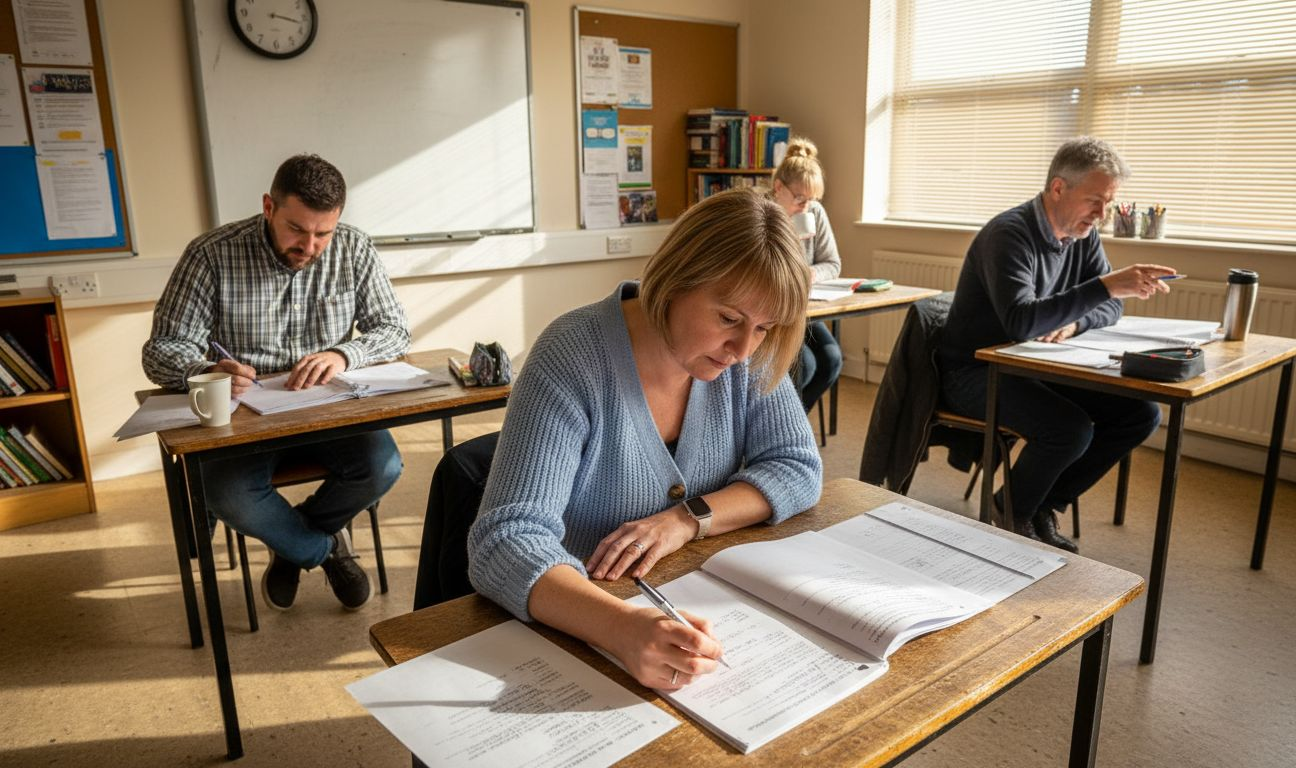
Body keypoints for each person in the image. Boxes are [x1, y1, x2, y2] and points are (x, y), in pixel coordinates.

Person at [466, 187, 823, 692]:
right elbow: (505, 543)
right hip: (575, 627)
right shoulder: (573, 356)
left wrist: (686, 518)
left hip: (684, 607)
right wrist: (621, 627)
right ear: (675, 280)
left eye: (765, 328)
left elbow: (796, 466)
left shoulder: (745, 355)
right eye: (728, 319)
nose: (743, 350)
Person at [142, 154, 410, 611]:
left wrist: (343, 353)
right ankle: (319, 549)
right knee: (226, 492)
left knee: (382, 466)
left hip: (328, 409)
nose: (310, 246)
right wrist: (203, 370)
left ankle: (290, 540)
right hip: (246, 418)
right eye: (297, 229)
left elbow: (395, 329)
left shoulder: (354, 248)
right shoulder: (211, 254)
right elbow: (161, 349)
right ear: (269, 206)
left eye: (323, 232)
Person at [937, 136, 1175, 552]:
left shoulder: (1083, 236)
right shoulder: (1009, 234)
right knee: (1070, 429)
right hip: (976, 370)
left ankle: (1041, 502)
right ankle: (1015, 508)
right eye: (1095, 201)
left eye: (1109, 202)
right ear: (1059, 189)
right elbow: (1023, 320)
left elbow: (1110, 309)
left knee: (1140, 415)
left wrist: (1075, 322)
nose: (1101, 215)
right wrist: (1106, 286)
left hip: (1037, 363)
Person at [771, 137, 843, 413]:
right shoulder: (762, 213)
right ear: (779, 188)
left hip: (803, 309)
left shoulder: (815, 212)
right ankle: (781, 426)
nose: (806, 207)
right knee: (805, 365)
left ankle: (795, 421)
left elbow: (832, 263)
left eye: (811, 200)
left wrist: (809, 273)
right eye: (800, 199)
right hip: (773, 312)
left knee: (831, 359)